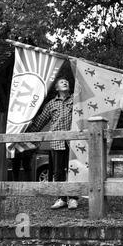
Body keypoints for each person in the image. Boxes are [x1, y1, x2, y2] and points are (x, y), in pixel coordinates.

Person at [27, 76, 78, 210]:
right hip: (57, 142)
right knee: (58, 171)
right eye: (62, 82)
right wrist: (25, 131)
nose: (65, 82)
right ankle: (61, 198)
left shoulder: (76, 100)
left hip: (73, 141)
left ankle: (73, 198)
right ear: (56, 88)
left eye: (66, 81)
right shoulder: (51, 104)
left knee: (74, 171)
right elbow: (40, 121)